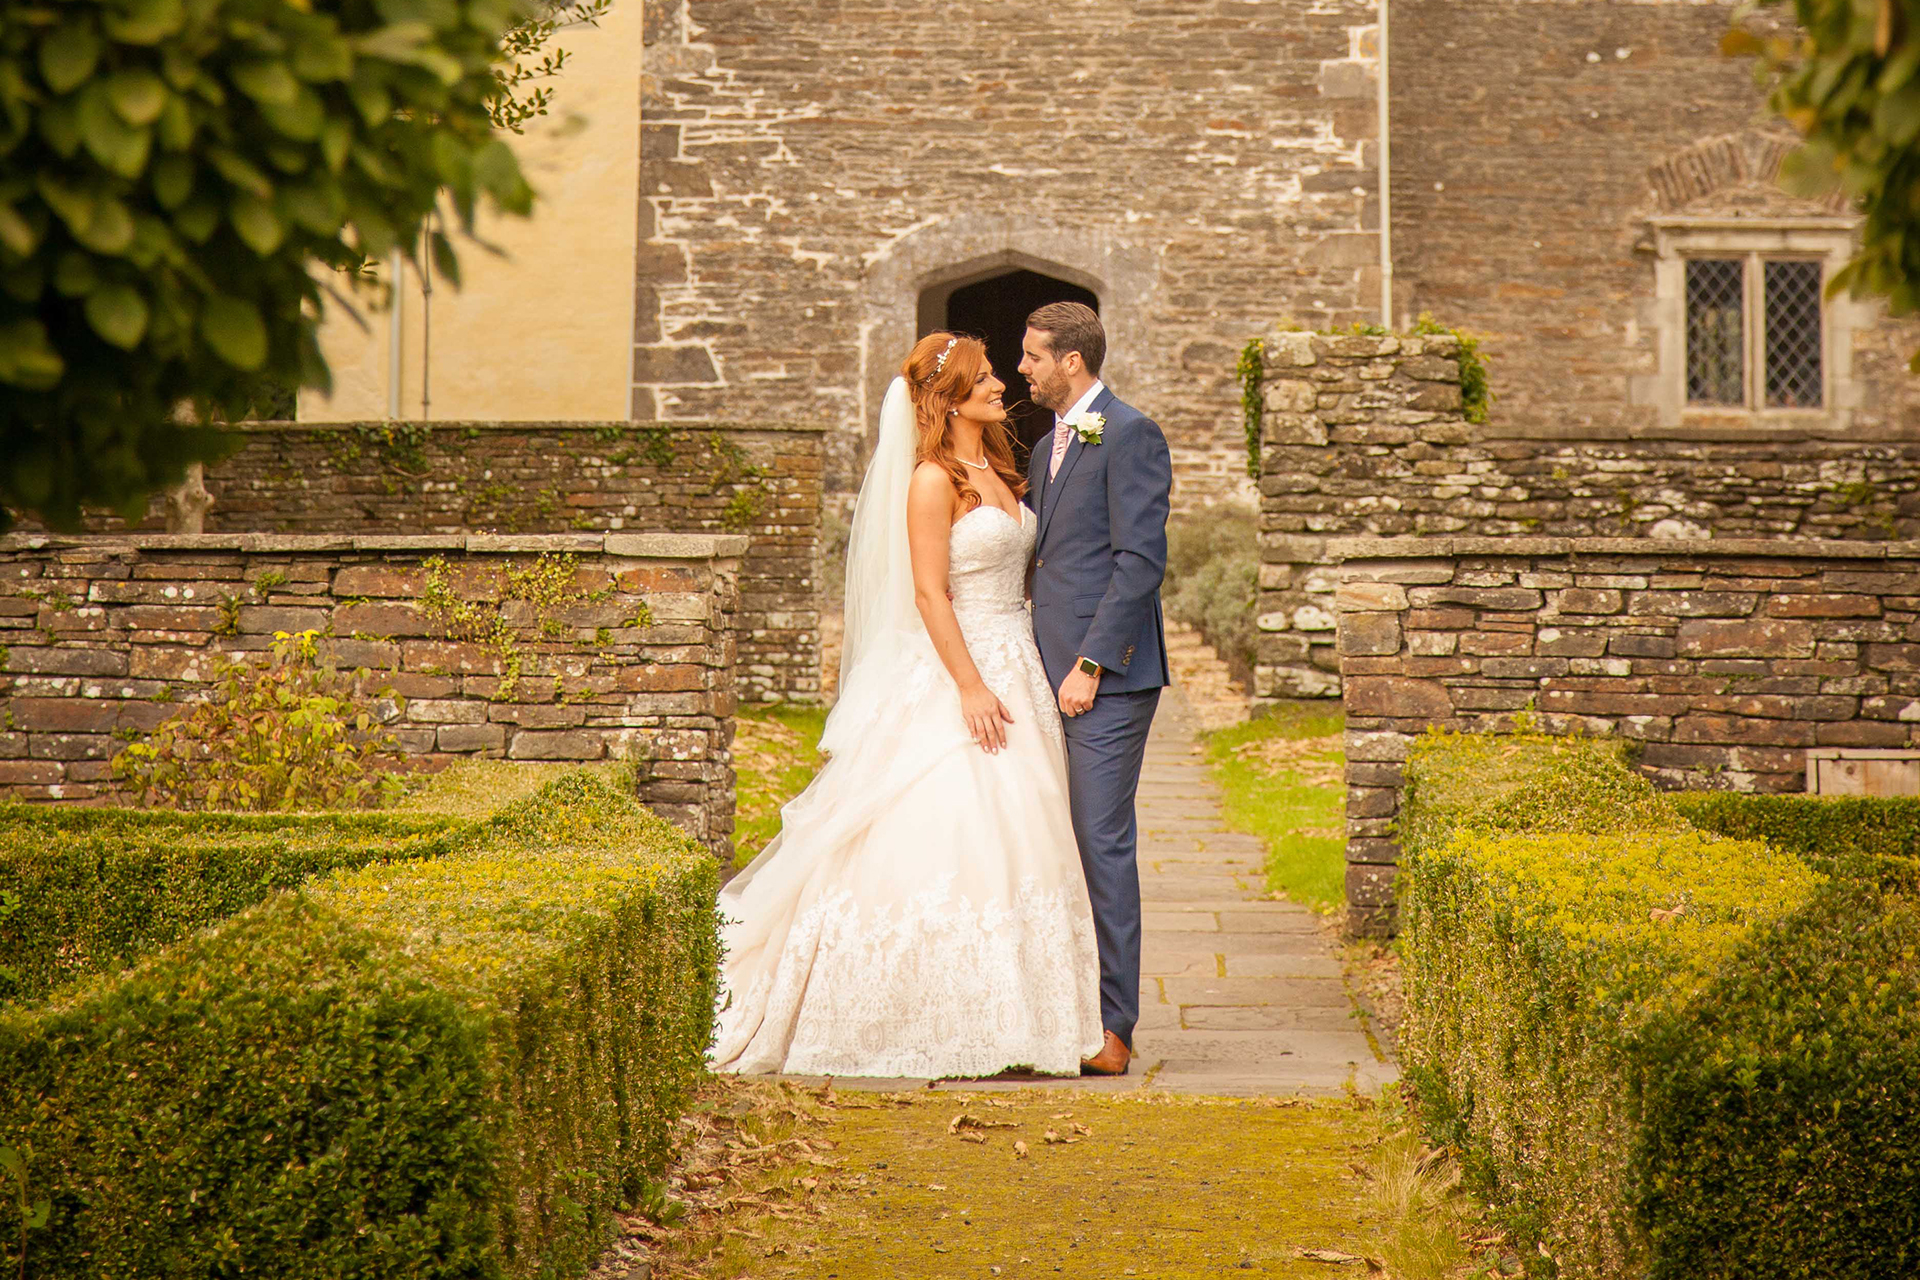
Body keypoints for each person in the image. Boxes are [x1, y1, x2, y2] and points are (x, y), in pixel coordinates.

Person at [710, 332, 1104, 1079]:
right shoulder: (932, 480)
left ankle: (1021, 1013)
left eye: (994, 373)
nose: (999, 385)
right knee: (956, 821)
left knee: (1027, 830)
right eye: (982, 378)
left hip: (1016, 657)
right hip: (966, 667)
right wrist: (968, 685)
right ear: (948, 399)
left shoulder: (1001, 467)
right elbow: (929, 592)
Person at [1019, 302, 1173, 1078]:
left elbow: (1140, 561)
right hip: (1038, 669)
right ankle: (1059, 1007)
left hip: (1103, 678)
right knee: (1046, 842)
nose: (1024, 368)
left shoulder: (1132, 433)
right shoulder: (1050, 442)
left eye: (1033, 356)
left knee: (1100, 842)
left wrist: (1091, 664)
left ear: (1071, 361)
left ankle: (1115, 1028)